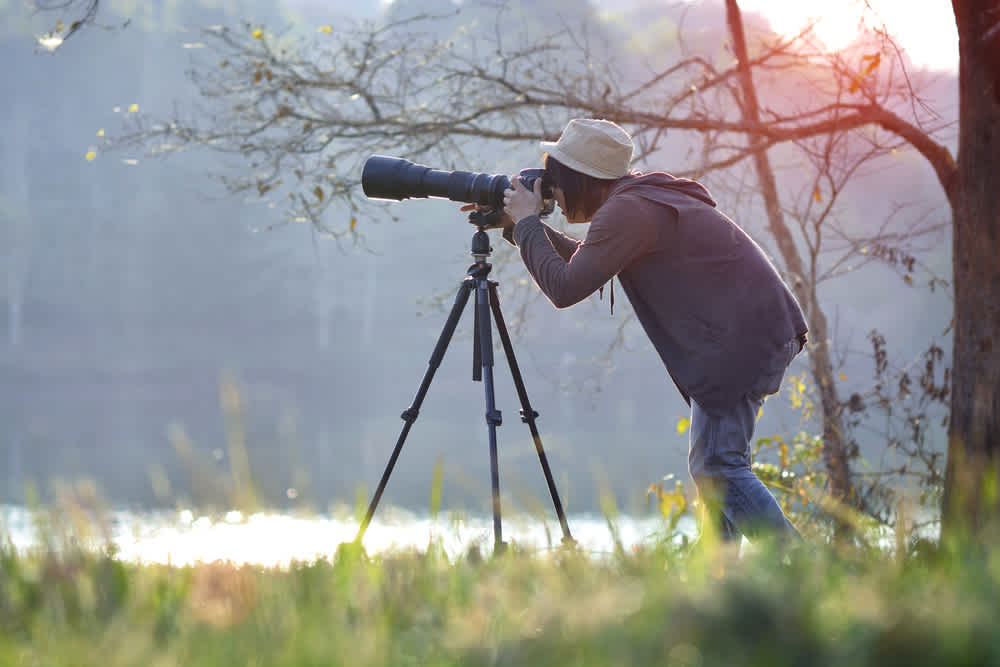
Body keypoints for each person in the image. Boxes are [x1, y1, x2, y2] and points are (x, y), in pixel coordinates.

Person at [500, 118, 807, 543]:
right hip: (750, 333)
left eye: (556, 180)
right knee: (714, 467)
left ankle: (806, 567)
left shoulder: (628, 211)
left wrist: (528, 224)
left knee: (719, 467)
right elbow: (586, 266)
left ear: (580, 178)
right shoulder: (635, 200)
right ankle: (722, 586)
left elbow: (566, 287)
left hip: (740, 342)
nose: (553, 192)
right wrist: (521, 228)